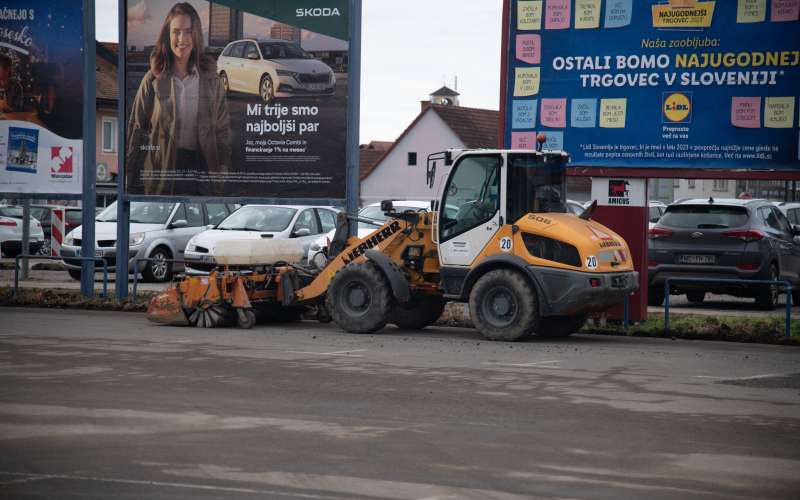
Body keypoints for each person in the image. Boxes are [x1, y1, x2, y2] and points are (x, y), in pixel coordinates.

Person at [126, 2, 231, 196]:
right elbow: (136, 128)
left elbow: (222, 129)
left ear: (196, 35)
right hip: (161, 174)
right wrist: (130, 176)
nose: (182, 39)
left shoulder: (211, 81)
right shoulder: (153, 79)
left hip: (202, 174)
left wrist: (223, 167)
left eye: (188, 32)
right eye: (176, 32)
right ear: (168, 35)